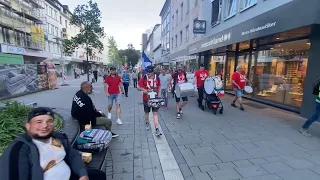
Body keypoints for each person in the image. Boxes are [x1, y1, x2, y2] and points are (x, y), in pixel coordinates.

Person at [0, 107, 106, 180]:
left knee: (99, 175)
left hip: (70, 176)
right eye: (39, 122)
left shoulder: (58, 138)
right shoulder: (18, 149)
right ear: (28, 126)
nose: (45, 125)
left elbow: (72, 155)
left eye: (49, 121)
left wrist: (83, 174)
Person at [137, 66, 162, 136]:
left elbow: (159, 86)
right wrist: (143, 89)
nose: (148, 73)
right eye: (147, 72)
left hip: (155, 98)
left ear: (153, 72)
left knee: (155, 113)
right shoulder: (144, 77)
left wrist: (159, 93)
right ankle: (147, 122)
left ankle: (157, 129)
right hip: (146, 99)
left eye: (149, 72)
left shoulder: (157, 78)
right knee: (147, 113)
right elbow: (138, 87)